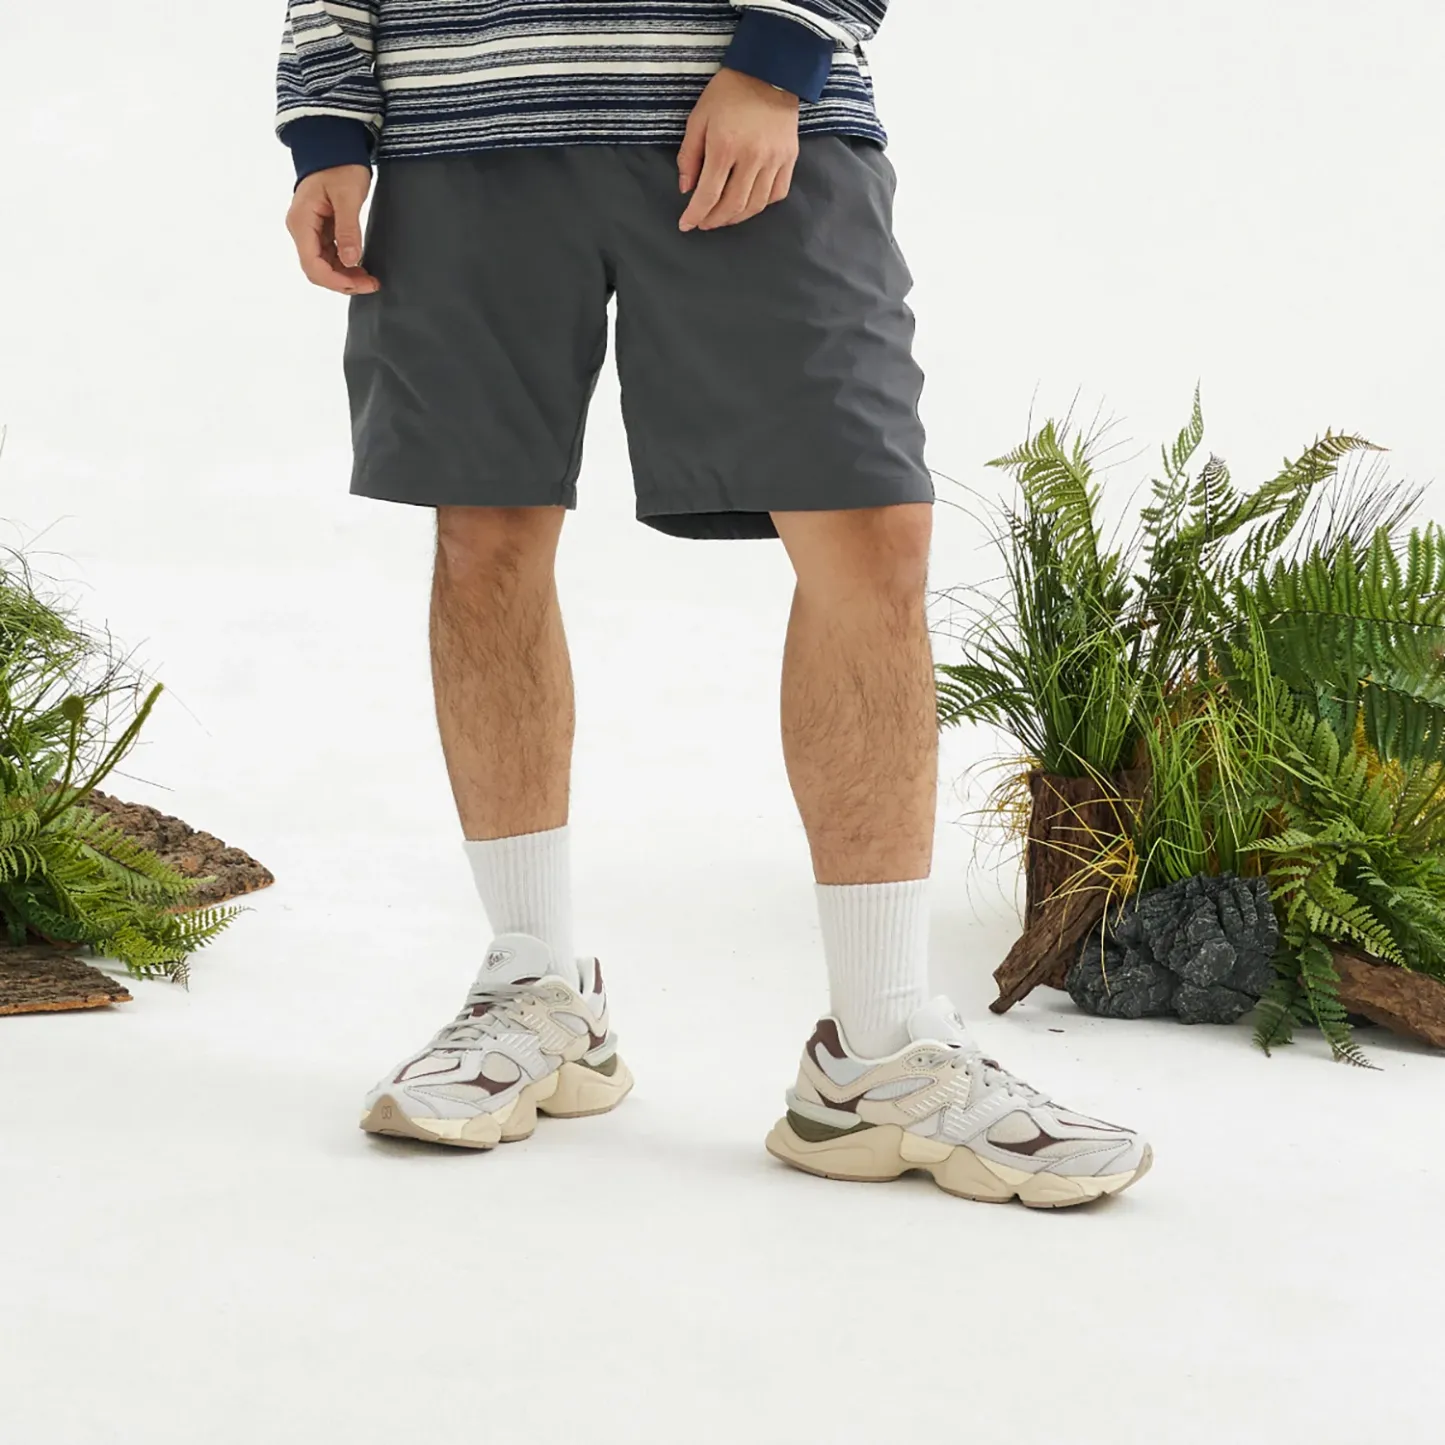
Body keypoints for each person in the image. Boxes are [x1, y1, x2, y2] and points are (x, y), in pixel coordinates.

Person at [276, 0, 1151, 1207]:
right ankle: (535, 985)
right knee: (483, 533)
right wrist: (326, 122)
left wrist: (778, 59)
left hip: (749, 105)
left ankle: (880, 1046)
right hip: (459, 113)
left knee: (866, 528)